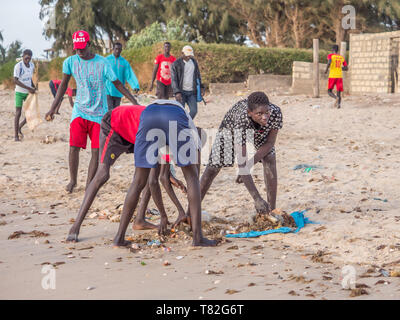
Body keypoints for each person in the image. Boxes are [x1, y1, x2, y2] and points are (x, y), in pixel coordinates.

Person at [66, 104, 187, 242]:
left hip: (137, 132)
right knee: (103, 174)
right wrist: (164, 216)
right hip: (115, 123)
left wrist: (180, 210)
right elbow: (156, 181)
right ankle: (75, 227)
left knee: (147, 174)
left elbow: (162, 177)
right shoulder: (166, 133)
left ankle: (139, 219)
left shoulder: (170, 135)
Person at [113, 100, 217, 247]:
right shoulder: (196, 135)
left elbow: (156, 179)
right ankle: (198, 237)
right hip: (174, 114)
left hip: (148, 113)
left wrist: (167, 215)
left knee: (137, 181)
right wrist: (186, 213)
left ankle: (118, 238)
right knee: (191, 177)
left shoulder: (164, 143)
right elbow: (194, 177)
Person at [45, 30, 138, 194]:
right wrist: (53, 108)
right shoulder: (70, 62)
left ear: (89, 44)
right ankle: (73, 180)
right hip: (79, 111)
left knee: (96, 151)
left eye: (82, 47)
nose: (79, 51)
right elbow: (63, 86)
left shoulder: (103, 63)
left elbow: (117, 84)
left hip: (99, 114)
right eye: (76, 48)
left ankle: (89, 184)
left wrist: (134, 101)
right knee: (74, 147)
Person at [175, 92, 283, 227]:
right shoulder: (240, 118)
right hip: (230, 131)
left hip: (260, 134)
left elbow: (269, 143)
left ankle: (270, 210)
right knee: (212, 169)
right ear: (250, 113)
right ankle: (190, 213)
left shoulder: (275, 113)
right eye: (259, 114)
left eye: (266, 111)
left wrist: (249, 165)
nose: (265, 116)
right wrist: (257, 198)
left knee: (270, 157)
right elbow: (241, 163)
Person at [171, 45, 204, 119]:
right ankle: (179, 127)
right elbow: (174, 79)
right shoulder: (175, 64)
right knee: (179, 111)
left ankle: (186, 124)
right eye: (187, 55)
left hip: (192, 92)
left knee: (194, 111)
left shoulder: (194, 62)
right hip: (181, 92)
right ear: (182, 53)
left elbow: (198, 75)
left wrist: (201, 87)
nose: (189, 57)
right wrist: (177, 92)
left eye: (190, 55)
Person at [105, 42, 140, 111]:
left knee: (116, 110)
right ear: (113, 49)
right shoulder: (106, 60)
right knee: (109, 110)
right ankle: (107, 121)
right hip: (107, 89)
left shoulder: (124, 62)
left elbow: (129, 75)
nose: (117, 51)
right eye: (116, 49)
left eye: (119, 49)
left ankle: (113, 122)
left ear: (121, 50)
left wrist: (135, 86)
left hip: (119, 90)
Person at [13, 49, 36, 141]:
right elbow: (15, 80)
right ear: (23, 56)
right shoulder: (18, 66)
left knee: (30, 114)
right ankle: (15, 136)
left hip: (28, 93)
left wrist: (33, 87)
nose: (28, 58)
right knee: (18, 113)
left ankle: (19, 127)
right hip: (19, 92)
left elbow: (30, 79)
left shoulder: (32, 65)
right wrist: (28, 88)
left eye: (29, 56)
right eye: (26, 56)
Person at [325, 44, 348, 109]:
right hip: (339, 77)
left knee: (329, 91)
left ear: (332, 50)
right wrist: (340, 68)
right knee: (339, 92)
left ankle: (335, 98)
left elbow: (329, 62)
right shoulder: (341, 57)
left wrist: (326, 69)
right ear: (338, 50)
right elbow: (346, 68)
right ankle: (338, 105)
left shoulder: (330, 56)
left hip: (332, 76)